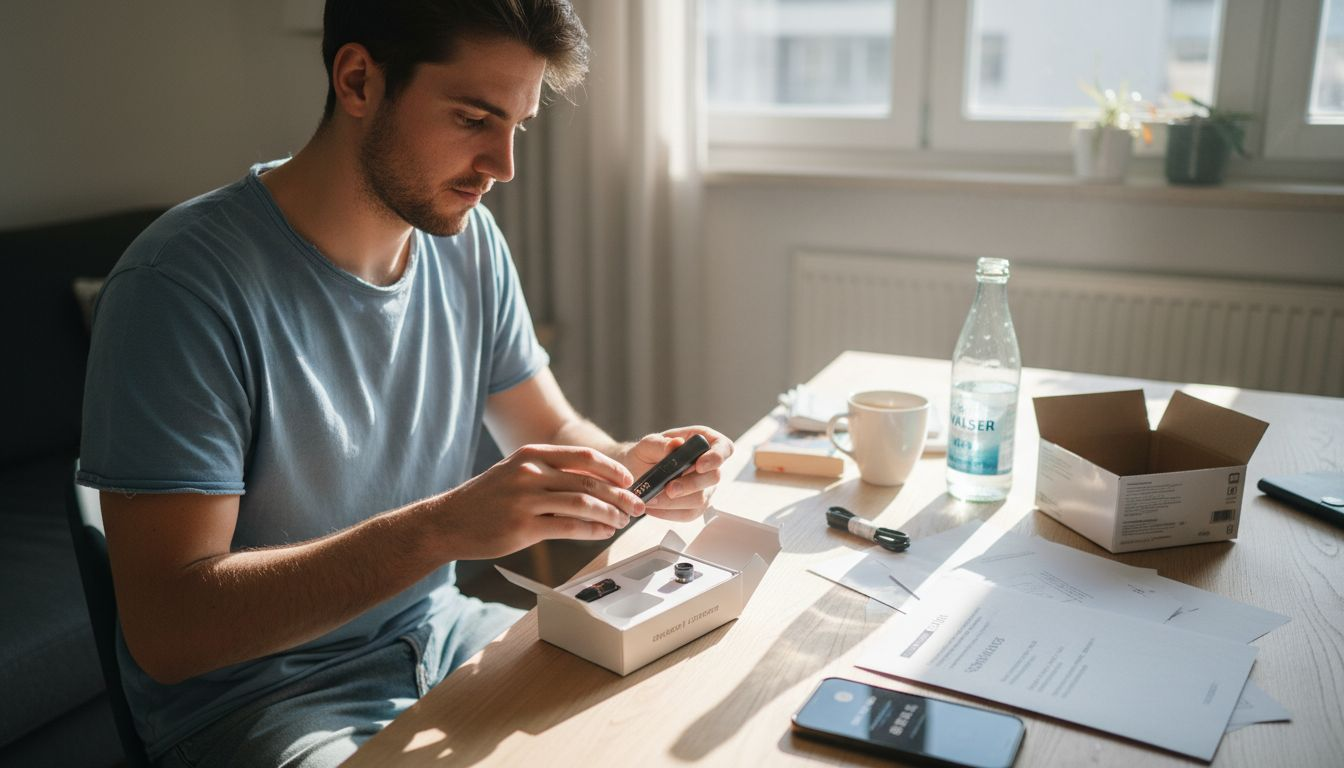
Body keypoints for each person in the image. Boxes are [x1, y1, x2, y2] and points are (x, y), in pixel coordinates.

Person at [76, 2, 733, 766]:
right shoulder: (180, 288)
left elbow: (549, 430)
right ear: (358, 80)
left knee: (666, 716)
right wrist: (441, 528)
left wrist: (630, 464)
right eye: (472, 119)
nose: (503, 165)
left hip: (441, 636)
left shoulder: (467, 240)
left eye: (516, 125)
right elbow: (169, 630)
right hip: (264, 704)